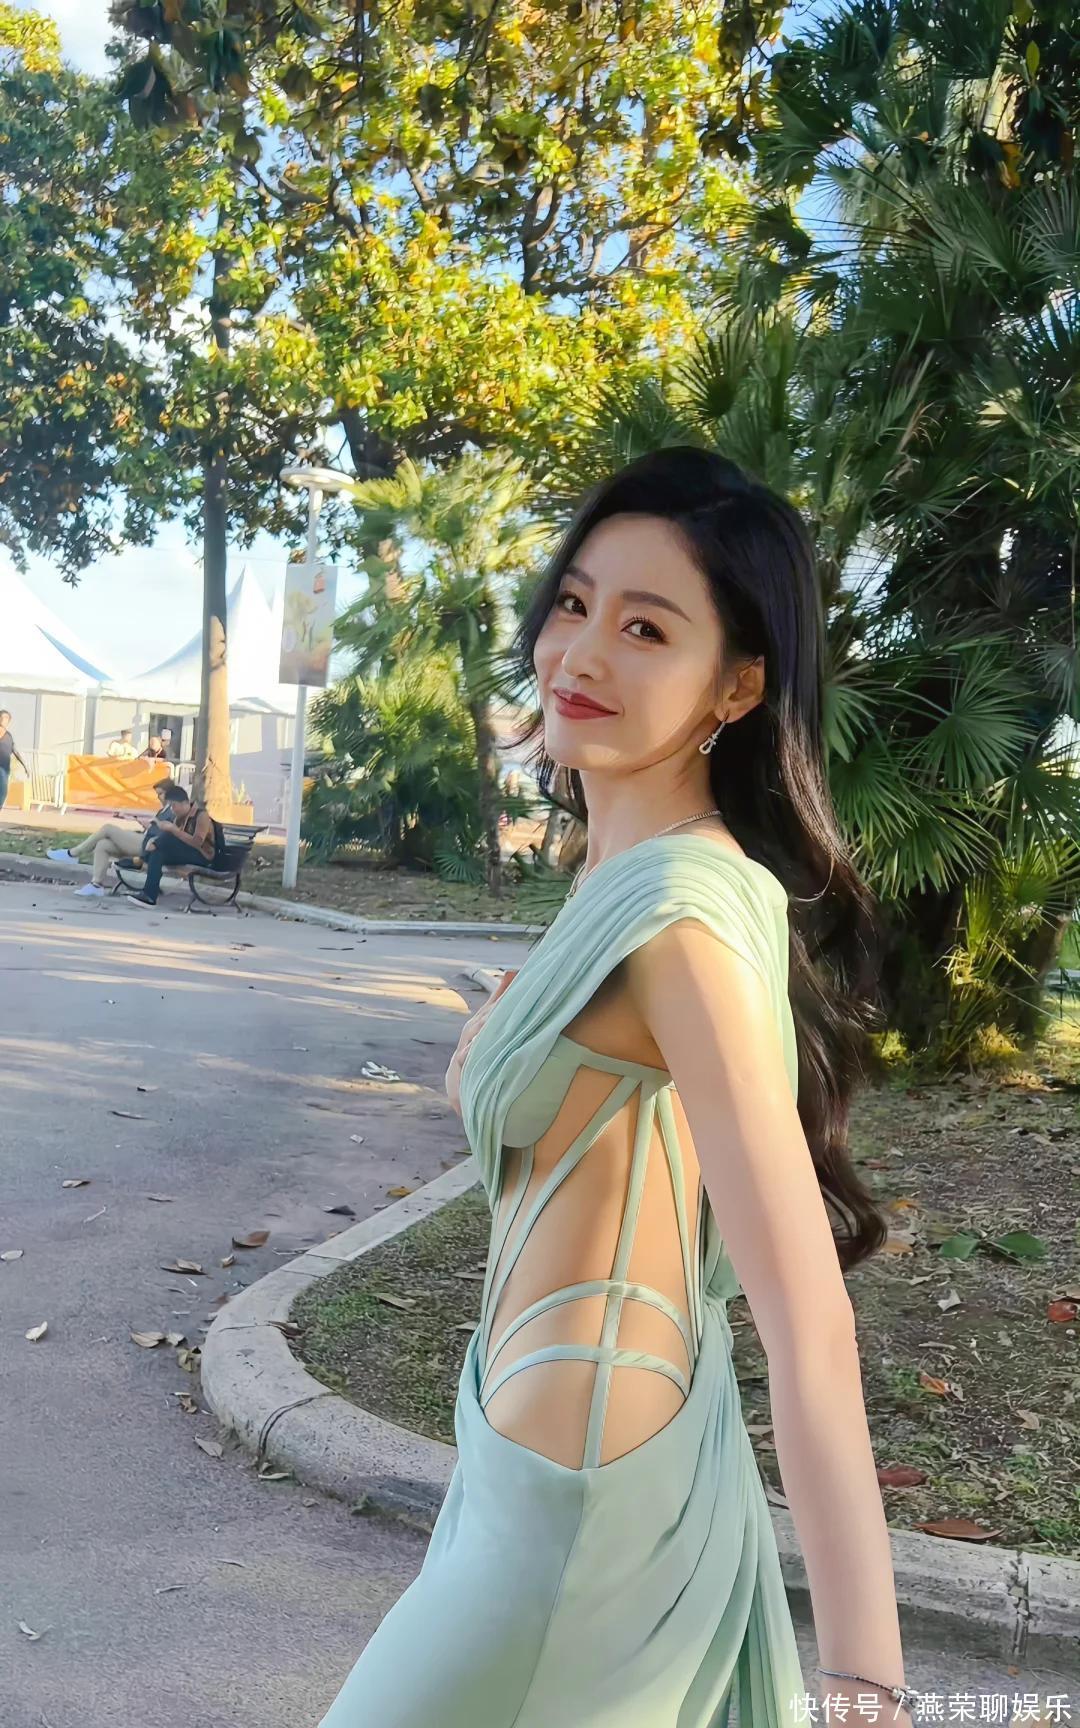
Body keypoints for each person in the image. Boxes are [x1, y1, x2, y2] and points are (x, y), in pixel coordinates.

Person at [316, 448, 919, 1728]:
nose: (580, 654)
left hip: (576, 1508)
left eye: (647, 628)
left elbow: (806, 1317)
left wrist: (866, 1679)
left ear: (738, 685)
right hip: (536, 1458)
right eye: (575, 604)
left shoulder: (679, 918)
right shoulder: (628, 874)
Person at [47, 780, 188, 897]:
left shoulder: (173, 810)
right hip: (145, 840)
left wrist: (154, 827)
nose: (158, 797)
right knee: (103, 845)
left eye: (161, 794)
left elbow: (169, 832)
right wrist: (148, 826)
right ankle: (96, 885)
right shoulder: (163, 810)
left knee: (108, 828)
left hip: (151, 845)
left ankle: (73, 853)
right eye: (157, 794)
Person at [127, 789, 216, 906]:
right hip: (186, 853)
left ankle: (140, 860)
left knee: (168, 837)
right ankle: (149, 896)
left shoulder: (201, 815)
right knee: (158, 853)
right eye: (171, 806)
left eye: (174, 805)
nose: (172, 809)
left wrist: (174, 830)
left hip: (202, 855)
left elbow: (197, 842)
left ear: (185, 803)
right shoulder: (179, 817)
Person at [0, 710, 28, 811]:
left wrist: (25, 765)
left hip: (5, 768)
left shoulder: (9, 736)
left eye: (7, 718)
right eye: (2, 717)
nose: (4, 719)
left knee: (3, 792)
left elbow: (15, 750)